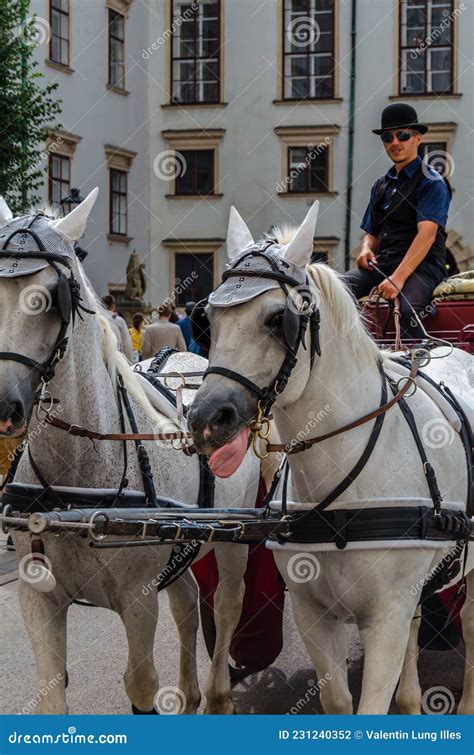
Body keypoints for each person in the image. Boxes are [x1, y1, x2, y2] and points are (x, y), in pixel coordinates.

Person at [341, 103, 452, 339]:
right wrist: (365, 250)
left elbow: (427, 235)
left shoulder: (431, 181)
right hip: (385, 263)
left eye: (403, 135)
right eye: (387, 137)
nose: (395, 142)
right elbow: (372, 232)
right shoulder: (382, 184)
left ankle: (421, 366)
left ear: (417, 139)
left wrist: (398, 278)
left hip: (423, 267)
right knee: (334, 290)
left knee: (409, 310)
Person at [102, 294, 133, 361]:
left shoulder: (97, 319)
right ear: (112, 305)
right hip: (116, 358)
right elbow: (127, 343)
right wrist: (129, 361)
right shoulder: (119, 320)